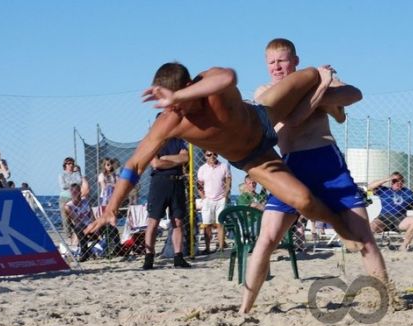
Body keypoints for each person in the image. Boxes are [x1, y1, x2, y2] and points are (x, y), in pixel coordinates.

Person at [86, 62, 358, 258]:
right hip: (253, 158)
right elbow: (134, 165)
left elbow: (229, 77)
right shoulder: (171, 121)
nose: (174, 109)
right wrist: (111, 207)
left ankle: (333, 103)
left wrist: (178, 96)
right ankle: (338, 224)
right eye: (168, 105)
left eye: (177, 101)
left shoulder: (211, 83)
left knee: (310, 74)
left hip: (265, 116)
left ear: (190, 87)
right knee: (304, 200)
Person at [240, 38, 394, 314]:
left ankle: (388, 298)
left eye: (282, 60)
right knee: (266, 239)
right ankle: (245, 307)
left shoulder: (311, 83)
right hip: (291, 167)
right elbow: (292, 119)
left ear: (296, 61)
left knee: (363, 235)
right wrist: (322, 85)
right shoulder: (265, 91)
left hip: (327, 161)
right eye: (271, 62)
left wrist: (327, 87)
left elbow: (354, 94)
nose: (277, 67)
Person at [142, 136, 191, 270]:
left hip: (177, 182)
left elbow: (185, 158)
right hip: (160, 183)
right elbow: (156, 163)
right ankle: (149, 257)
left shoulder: (179, 141)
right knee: (153, 221)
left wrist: (165, 159)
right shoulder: (154, 141)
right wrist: (175, 160)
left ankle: (178, 257)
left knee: (178, 221)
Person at [369, 172, 413, 250]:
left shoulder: (408, 193)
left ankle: (403, 247)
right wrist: (388, 179)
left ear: (402, 182)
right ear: (391, 182)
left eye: (399, 180)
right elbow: (370, 186)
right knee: (371, 226)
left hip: (400, 220)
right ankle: (369, 247)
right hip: (383, 218)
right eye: (394, 181)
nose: (396, 182)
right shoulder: (384, 190)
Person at [197, 151, 232, 253]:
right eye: (209, 155)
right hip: (208, 199)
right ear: (205, 156)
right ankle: (207, 248)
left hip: (221, 198)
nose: (212, 156)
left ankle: (221, 247)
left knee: (220, 223)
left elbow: (228, 179)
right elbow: (199, 184)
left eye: (214, 154)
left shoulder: (224, 166)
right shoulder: (202, 169)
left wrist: (226, 194)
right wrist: (203, 197)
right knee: (207, 224)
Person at [64, 183, 96, 262]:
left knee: (109, 227)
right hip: (81, 226)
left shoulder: (86, 201)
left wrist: (95, 225)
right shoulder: (68, 206)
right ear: (70, 193)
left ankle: (117, 249)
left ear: (80, 192)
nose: (75, 194)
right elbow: (77, 220)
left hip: (91, 225)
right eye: (73, 192)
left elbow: (92, 215)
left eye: (77, 192)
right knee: (80, 227)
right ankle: (85, 252)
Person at [58, 157, 83, 239]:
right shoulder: (62, 174)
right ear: (65, 165)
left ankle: (78, 234)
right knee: (65, 218)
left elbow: (79, 182)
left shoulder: (77, 173)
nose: (71, 165)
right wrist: (73, 185)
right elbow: (63, 186)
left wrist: (71, 184)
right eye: (68, 163)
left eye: (72, 163)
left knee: (77, 216)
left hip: (75, 197)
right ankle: (69, 235)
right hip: (65, 197)